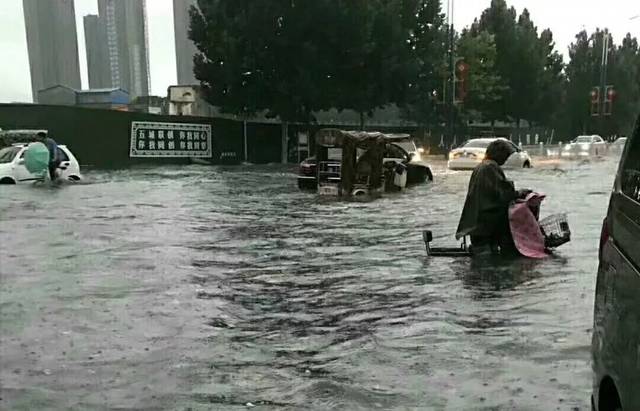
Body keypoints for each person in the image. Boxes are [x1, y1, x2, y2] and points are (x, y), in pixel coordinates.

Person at [455, 139, 530, 255]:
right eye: (505, 155)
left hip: (478, 222)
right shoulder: (491, 167)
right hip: (485, 224)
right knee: (487, 257)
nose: (506, 159)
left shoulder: (481, 166)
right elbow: (504, 193)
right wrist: (520, 193)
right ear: (498, 154)